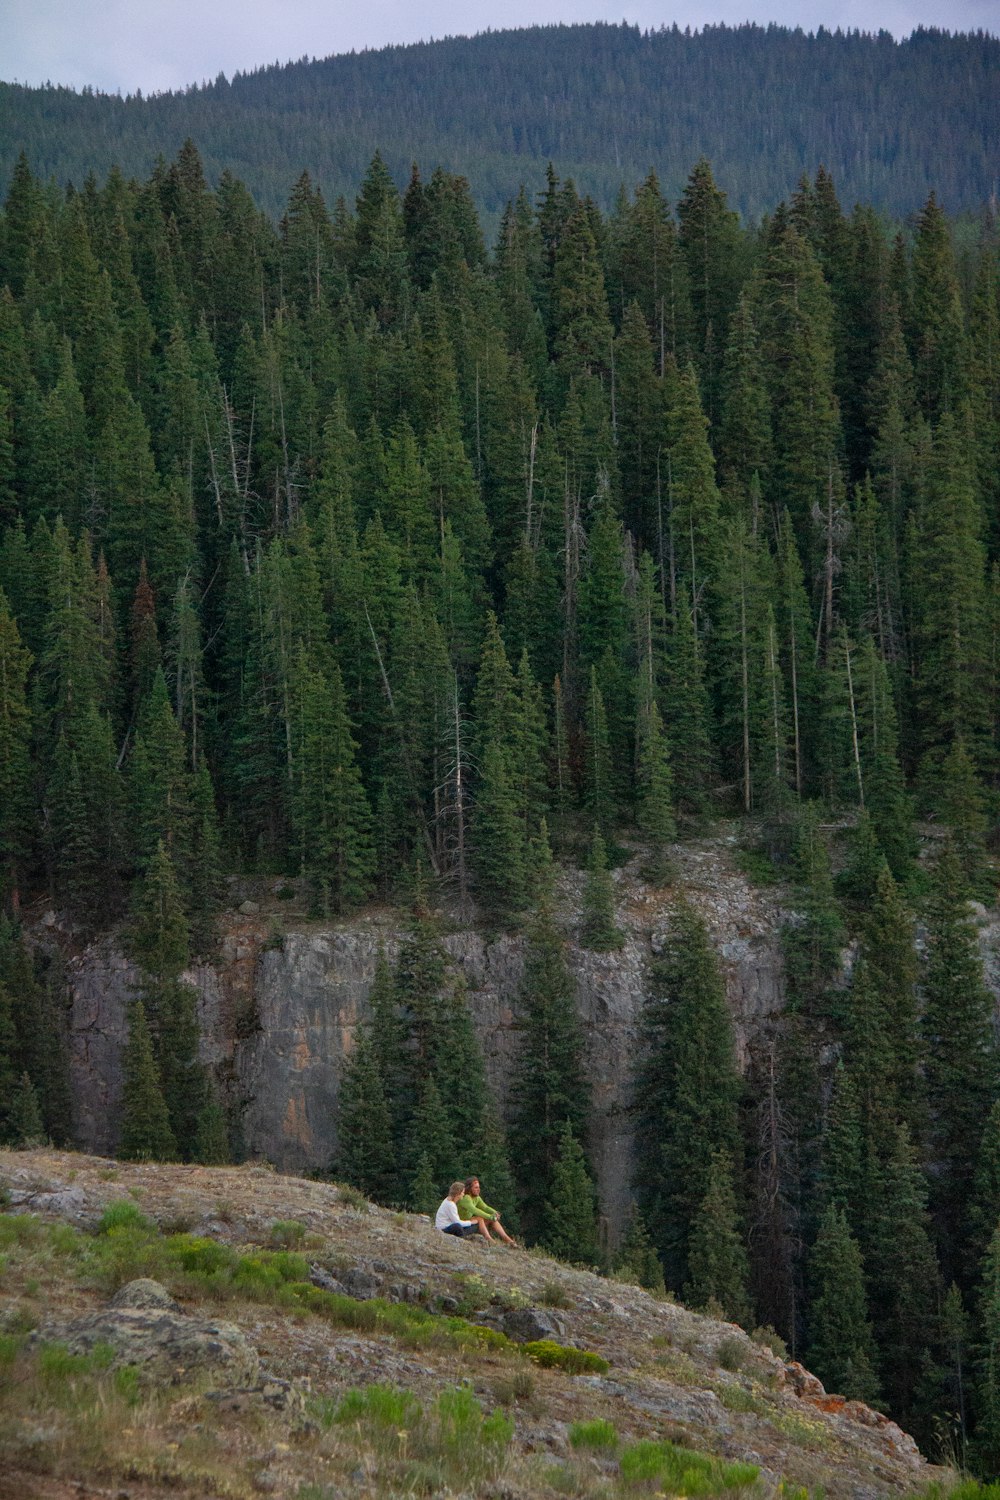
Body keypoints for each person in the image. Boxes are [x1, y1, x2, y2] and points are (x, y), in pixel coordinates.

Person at [456, 1176, 517, 1245]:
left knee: (491, 1220)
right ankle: (489, 1239)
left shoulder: (476, 1198)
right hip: (461, 1225)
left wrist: (495, 1212)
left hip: (469, 1223)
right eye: (476, 1187)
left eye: (479, 1187)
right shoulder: (466, 1198)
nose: (478, 1189)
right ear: (469, 1188)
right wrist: (490, 1216)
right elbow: (475, 1210)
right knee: (479, 1218)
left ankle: (508, 1240)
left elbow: (485, 1207)